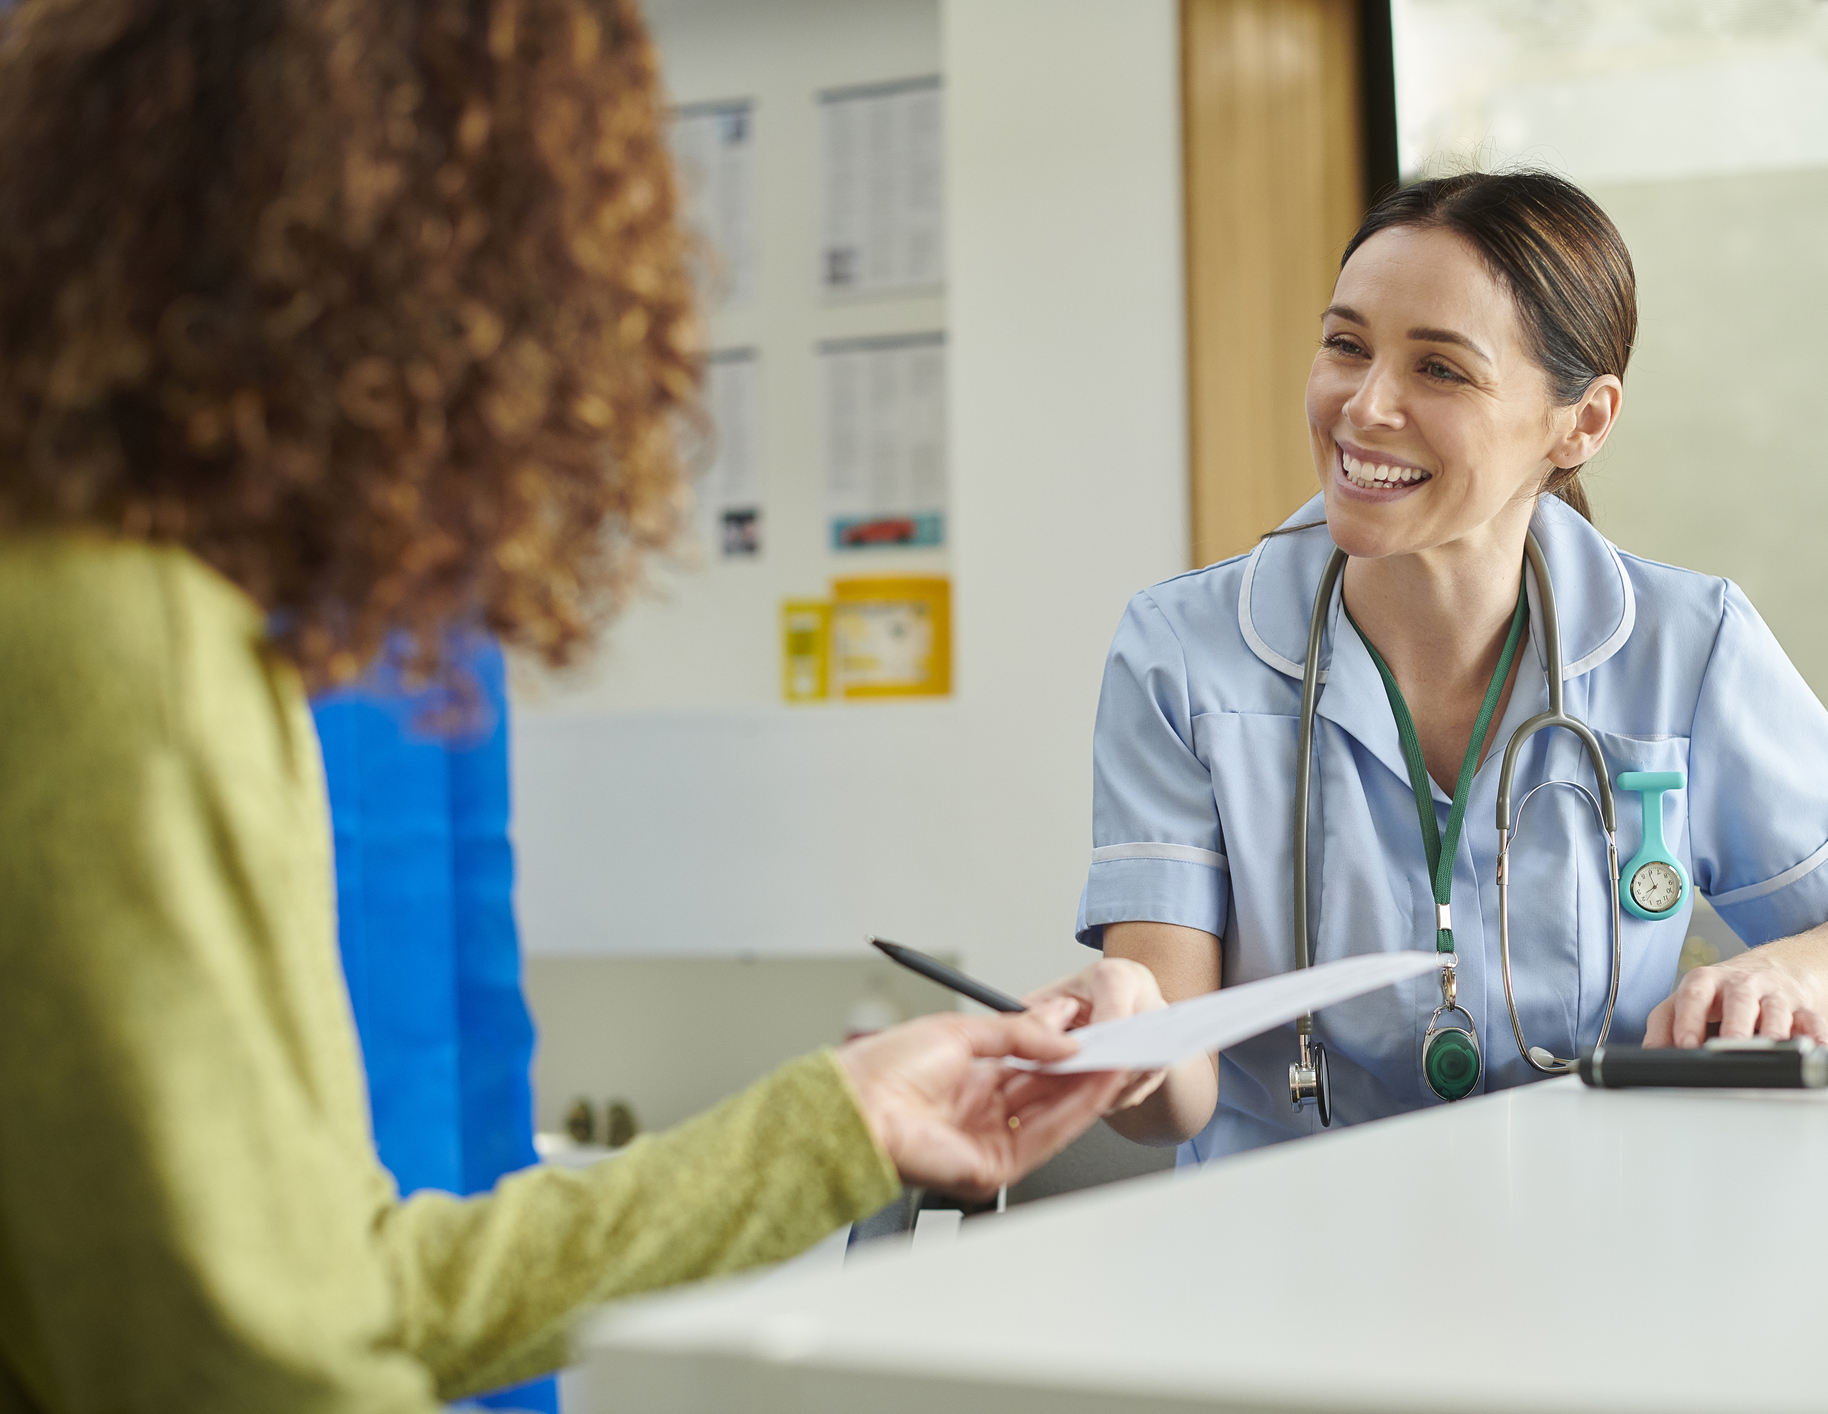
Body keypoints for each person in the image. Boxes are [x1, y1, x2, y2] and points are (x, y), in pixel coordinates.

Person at [0, 2, 1146, 1409]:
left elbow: (346, 1281)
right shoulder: (125, 645)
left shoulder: (127, 594)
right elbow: (243, 1364)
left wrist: (841, 1124)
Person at [1074, 171, 1828, 1163]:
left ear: (1580, 423)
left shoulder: (1686, 644)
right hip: (1289, 1254)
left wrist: (1789, 978)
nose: (1364, 407)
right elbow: (1172, 1098)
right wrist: (1127, 1046)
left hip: (1596, 1235)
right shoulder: (1181, 654)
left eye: (1439, 370)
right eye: (1346, 345)